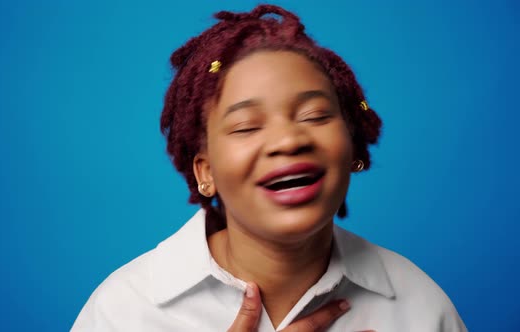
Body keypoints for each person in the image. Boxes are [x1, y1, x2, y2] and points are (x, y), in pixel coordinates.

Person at [71, 4, 467, 331]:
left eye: (314, 115)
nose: (289, 141)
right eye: (246, 126)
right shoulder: (125, 311)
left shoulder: (420, 307)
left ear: (351, 148)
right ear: (205, 173)